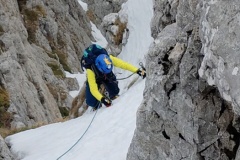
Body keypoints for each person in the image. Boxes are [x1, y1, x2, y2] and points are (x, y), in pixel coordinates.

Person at [81, 44, 146, 110]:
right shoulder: (90, 71)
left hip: (106, 74)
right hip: (96, 77)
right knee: (91, 102)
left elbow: (124, 64)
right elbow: (93, 89)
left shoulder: (108, 59)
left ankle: (108, 91)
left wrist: (138, 71)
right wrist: (102, 99)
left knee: (115, 91)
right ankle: (98, 99)